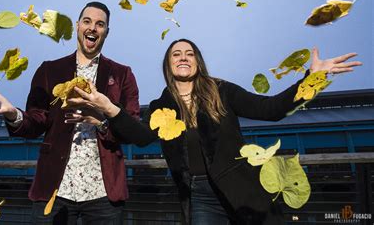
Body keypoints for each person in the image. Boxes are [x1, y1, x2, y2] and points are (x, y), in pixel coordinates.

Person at [65, 39, 362, 225]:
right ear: (168, 65)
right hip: (198, 195)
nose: (183, 57)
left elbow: (271, 109)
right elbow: (141, 137)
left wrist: (313, 79)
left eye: (189, 53)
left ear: (197, 61)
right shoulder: (162, 104)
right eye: (176, 54)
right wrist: (109, 108)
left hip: (242, 188)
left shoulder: (222, 91)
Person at [0, 1, 140, 224]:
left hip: (103, 192)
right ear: (77, 26)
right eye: (87, 21)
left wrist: (102, 122)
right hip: (54, 188)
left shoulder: (122, 74)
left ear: (106, 32)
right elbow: (36, 122)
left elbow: (132, 128)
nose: (93, 28)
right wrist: (12, 113)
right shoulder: (50, 70)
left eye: (100, 24)